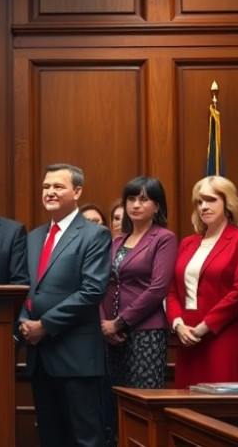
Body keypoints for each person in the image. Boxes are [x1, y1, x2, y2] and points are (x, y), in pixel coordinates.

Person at [19, 163, 111, 447]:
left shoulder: (94, 235)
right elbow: (25, 287)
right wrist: (24, 318)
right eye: (46, 187)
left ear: (77, 191)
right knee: (50, 437)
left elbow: (92, 290)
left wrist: (45, 325)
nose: (50, 192)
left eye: (58, 186)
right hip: (40, 357)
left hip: (76, 357)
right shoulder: (34, 237)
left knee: (86, 439)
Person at [99, 177, 177, 444]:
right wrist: (103, 323)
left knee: (142, 407)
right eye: (131, 199)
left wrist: (119, 323)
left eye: (143, 199)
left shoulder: (163, 238)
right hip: (110, 336)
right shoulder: (118, 242)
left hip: (145, 333)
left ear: (157, 206)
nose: (135, 204)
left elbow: (157, 289)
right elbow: (101, 285)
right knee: (114, 406)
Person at [165, 176, 238, 389]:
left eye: (211, 199)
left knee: (221, 408)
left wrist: (203, 328)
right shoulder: (188, 243)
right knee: (186, 409)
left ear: (228, 203)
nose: (204, 206)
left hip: (222, 337)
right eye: (199, 201)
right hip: (187, 337)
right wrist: (178, 325)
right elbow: (171, 290)